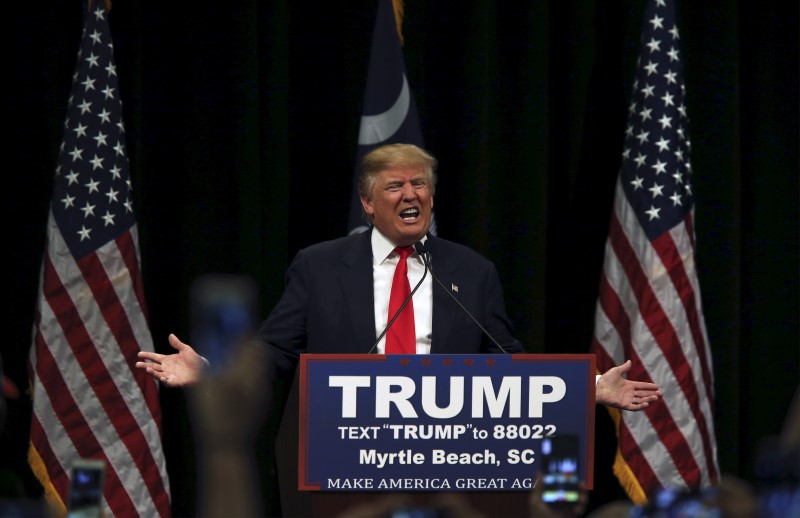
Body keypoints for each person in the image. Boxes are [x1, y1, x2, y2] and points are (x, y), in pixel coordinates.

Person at [136, 143, 662, 412]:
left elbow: (510, 362)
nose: (411, 195)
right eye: (395, 186)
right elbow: (275, 352)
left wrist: (586, 390)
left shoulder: (471, 272)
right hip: (342, 452)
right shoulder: (320, 266)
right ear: (367, 203)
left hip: (447, 457)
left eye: (420, 185)